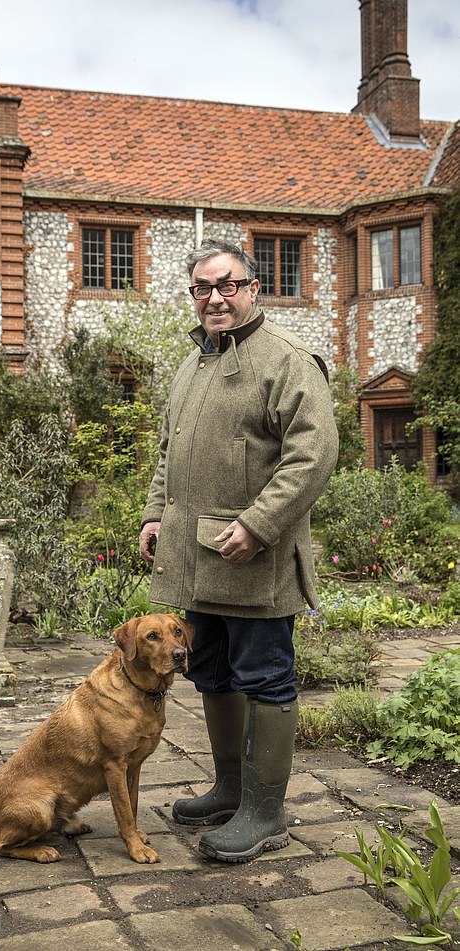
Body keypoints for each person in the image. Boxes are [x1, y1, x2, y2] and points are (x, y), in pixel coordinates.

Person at [139, 238, 339, 863]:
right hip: (193, 557)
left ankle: (265, 810)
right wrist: (153, 514)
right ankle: (230, 788)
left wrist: (258, 524)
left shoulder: (286, 362)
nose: (215, 298)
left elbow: (314, 455)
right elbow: (171, 450)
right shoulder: (192, 363)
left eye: (227, 285)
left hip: (255, 557)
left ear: (253, 289)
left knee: (266, 677)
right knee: (211, 670)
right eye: (202, 288)